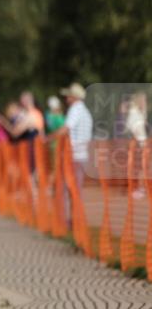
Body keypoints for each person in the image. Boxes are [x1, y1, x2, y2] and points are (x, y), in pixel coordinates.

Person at [55, 83, 92, 223]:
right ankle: (75, 219)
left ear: (74, 97)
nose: (66, 98)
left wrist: (48, 138)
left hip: (74, 156)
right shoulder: (86, 112)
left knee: (68, 188)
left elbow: (66, 128)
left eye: (68, 95)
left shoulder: (75, 109)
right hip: (81, 155)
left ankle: (68, 220)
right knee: (76, 189)